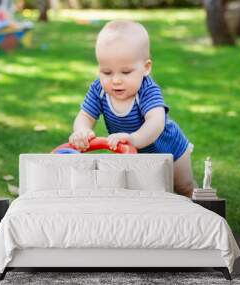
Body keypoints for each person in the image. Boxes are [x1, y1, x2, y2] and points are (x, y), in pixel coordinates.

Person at [68, 20, 195, 197]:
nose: (116, 80)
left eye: (126, 72)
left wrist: (133, 139)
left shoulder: (146, 90)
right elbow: (85, 116)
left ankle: (194, 214)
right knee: (142, 192)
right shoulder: (99, 90)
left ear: (146, 68)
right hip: (132, 152)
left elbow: (156, 122)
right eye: (107, 72)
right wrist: (82, 130)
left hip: (169, 147)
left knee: (183, 186)